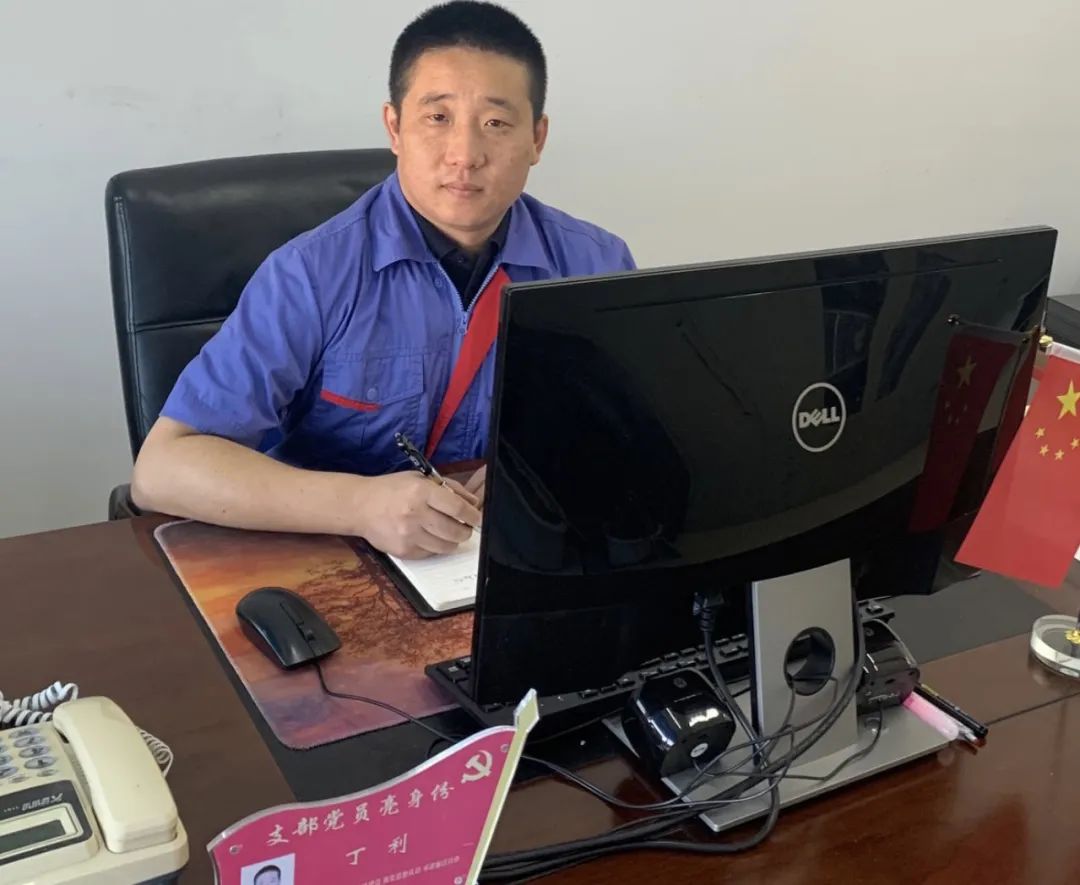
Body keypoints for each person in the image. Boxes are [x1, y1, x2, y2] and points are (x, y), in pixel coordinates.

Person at [131, 1, 635, 559]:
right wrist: (360, 505)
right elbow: (162, 469)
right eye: (438, 117)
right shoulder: (310, 274)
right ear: (394, 127)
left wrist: (542, 468)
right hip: (333, 559)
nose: (465, 155)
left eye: (495, 123)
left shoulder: (595, 264)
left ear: (537, 138)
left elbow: (629, 433)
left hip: (508, 559)